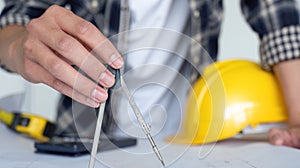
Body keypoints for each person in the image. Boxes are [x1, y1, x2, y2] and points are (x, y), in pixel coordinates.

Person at [0, 0, 299, 147]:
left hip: (193, 142)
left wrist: (298, 119)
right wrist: (19, 47)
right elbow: (13, 22)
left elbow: (278, 20)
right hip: (85, 137)